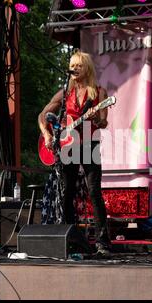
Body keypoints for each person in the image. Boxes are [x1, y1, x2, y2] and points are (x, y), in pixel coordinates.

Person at [38, 50, 110, 256]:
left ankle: (102, 242)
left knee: (94, 190)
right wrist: (47, 136)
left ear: (87, 68)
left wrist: (96, 118)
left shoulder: (99, 92)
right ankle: (71, 238)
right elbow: (42, 115)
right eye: (72, 65)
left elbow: (103, 122)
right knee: (66, 191)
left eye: (79, 65)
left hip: (90, 144)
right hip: (69, 146)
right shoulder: (64, 93)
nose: (75, 68)